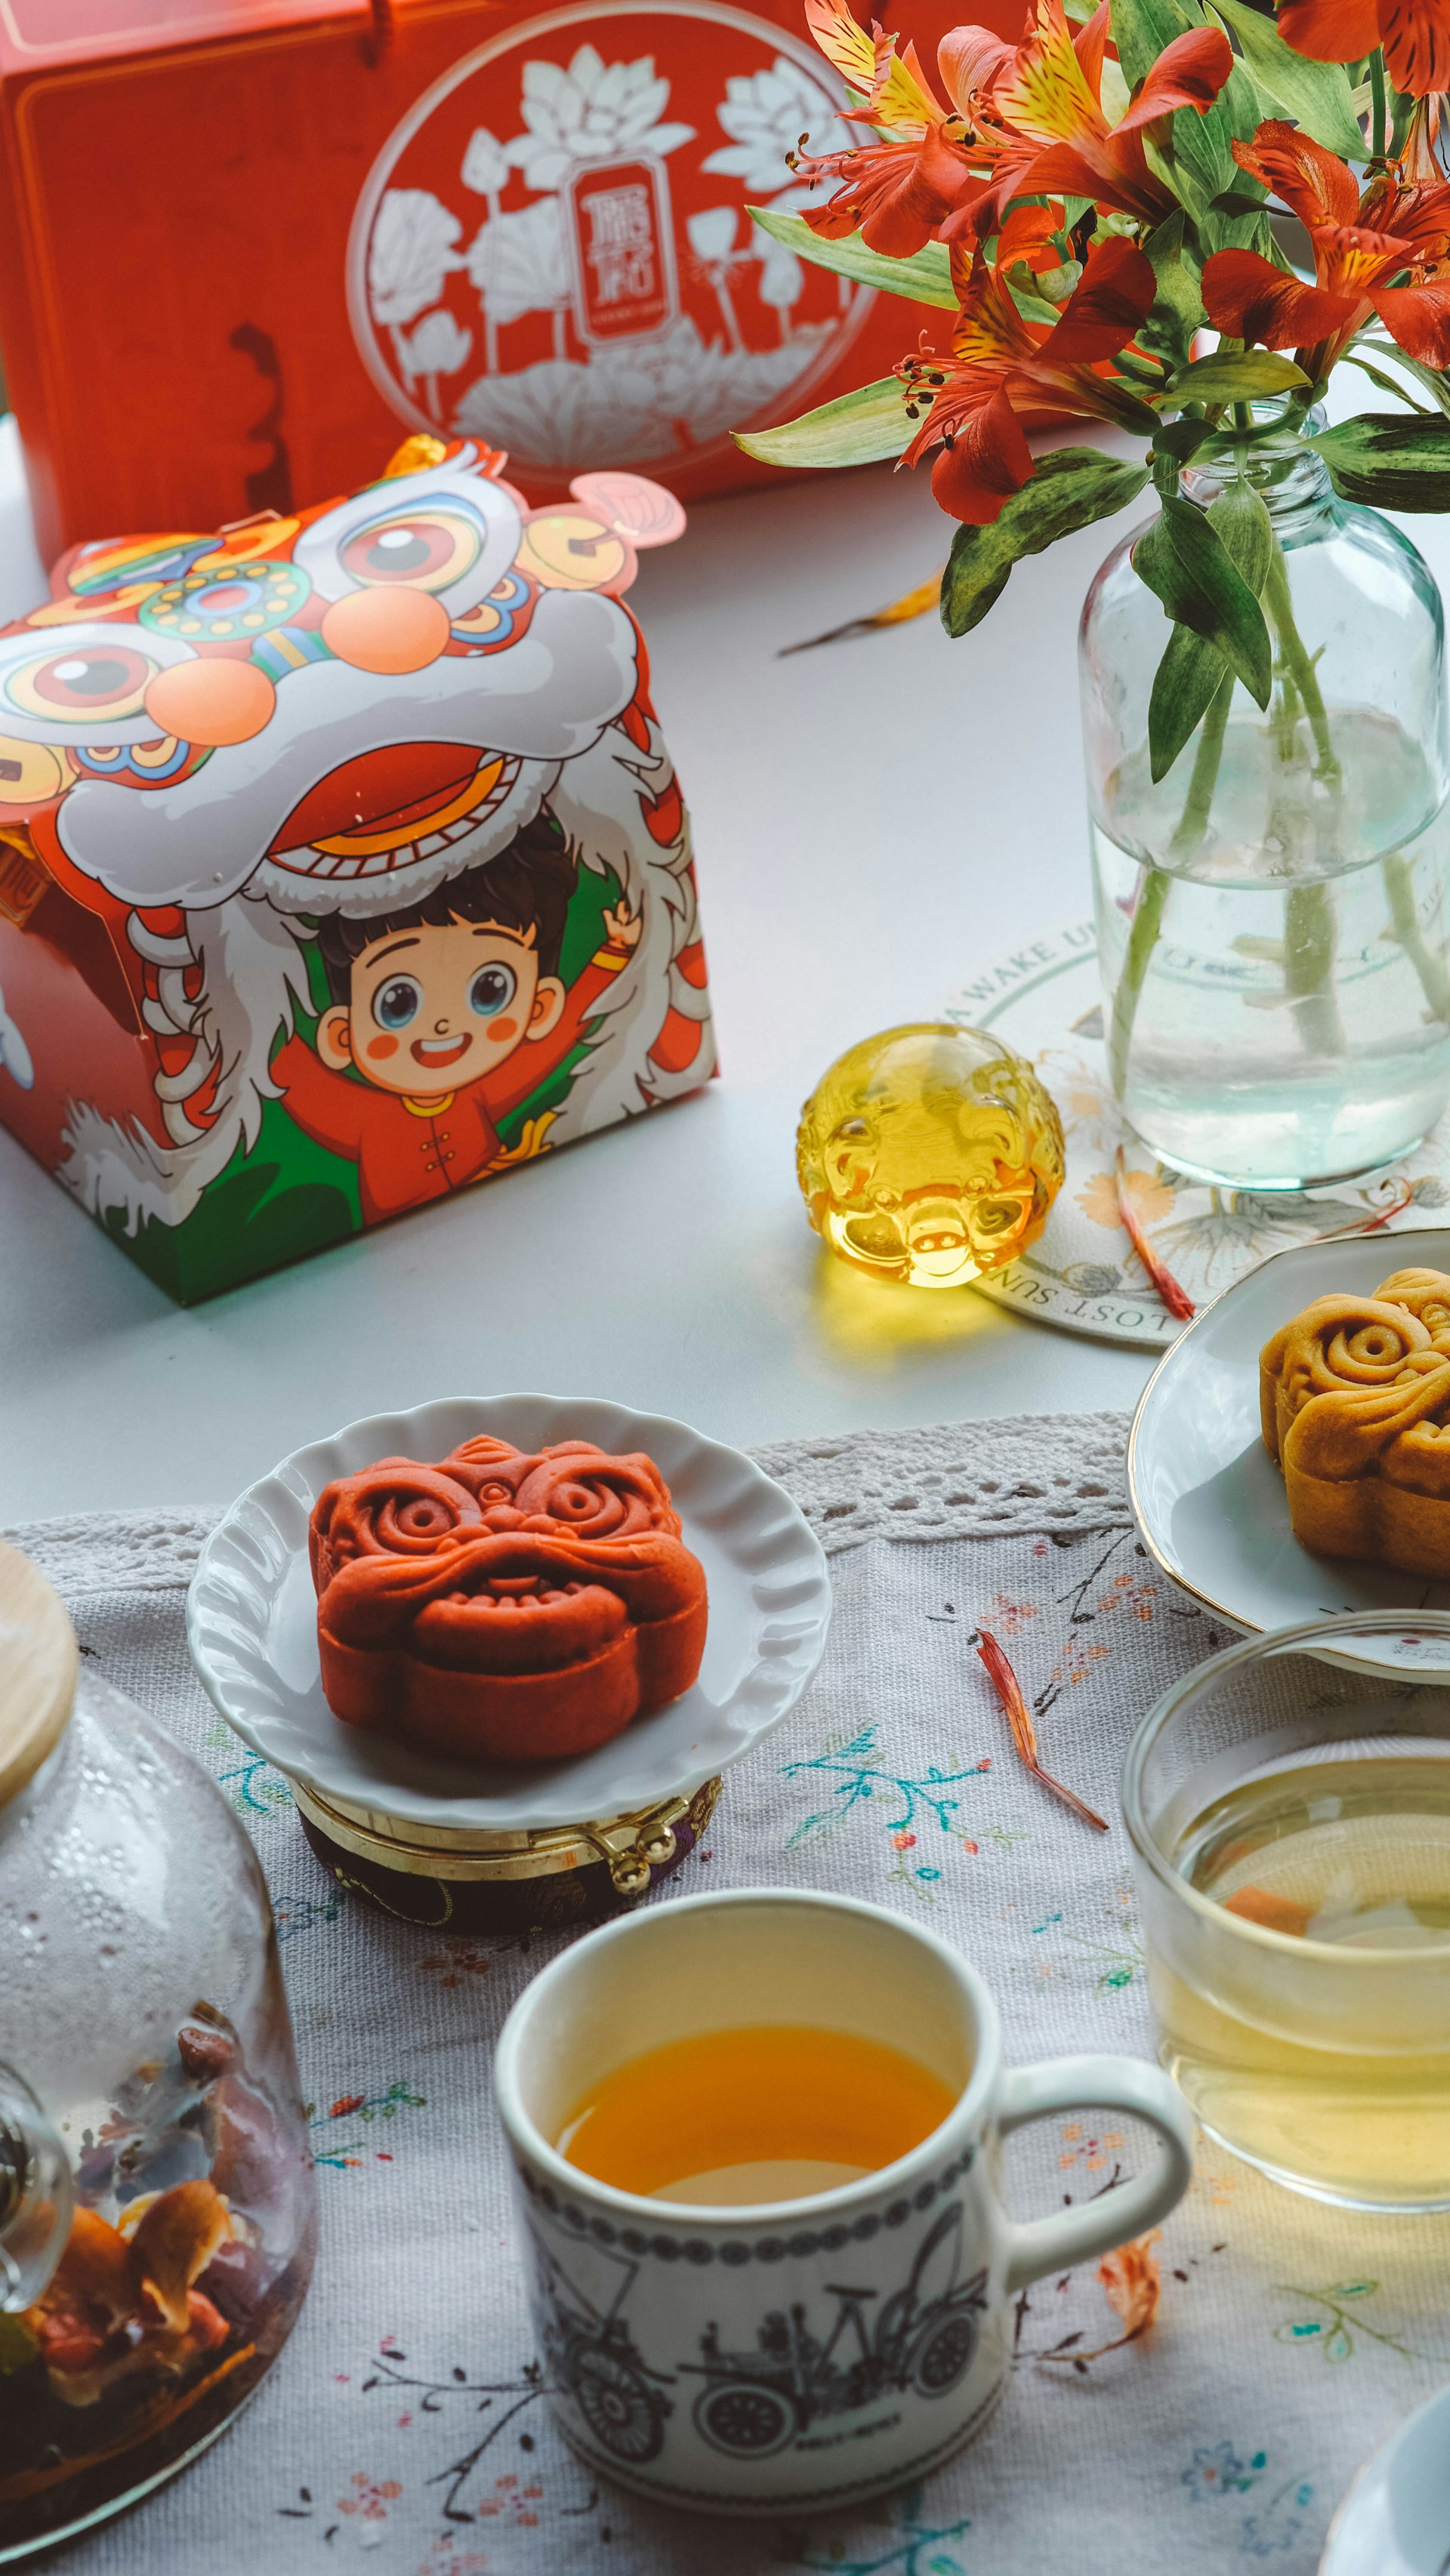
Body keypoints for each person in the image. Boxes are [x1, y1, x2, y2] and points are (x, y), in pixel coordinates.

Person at [273, 807, 640, 1224]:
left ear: (538, 1008)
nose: (443, 1026)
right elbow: (283, 1065)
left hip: (509, 1213)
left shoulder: (475, 1096)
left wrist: (614, 954)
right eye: (398, 1004)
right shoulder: (364, 1119)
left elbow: (557, 1038)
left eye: (490, 991)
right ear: (341, 1035)